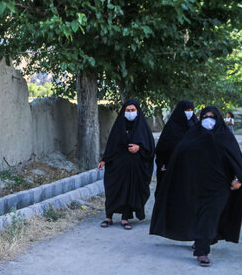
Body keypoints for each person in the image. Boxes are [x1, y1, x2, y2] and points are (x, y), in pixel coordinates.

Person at [150, 106, 242, 266]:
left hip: (219, 187)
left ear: (218, 119)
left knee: (210, 214)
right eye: (205, 116)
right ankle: (202, 242)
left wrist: (239, 179)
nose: (208, 119)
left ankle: (202, 250)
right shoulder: (193, 136)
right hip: (195, 186)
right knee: (200, 215)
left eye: (212, 117)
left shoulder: (225, 137)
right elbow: (180, 154)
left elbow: (237, 160)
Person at [98, 99, 155, 230]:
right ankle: (108, 217)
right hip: (117, 165)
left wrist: (139, 148)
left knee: (128, 191)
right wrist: (104, 160)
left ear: (137, 111)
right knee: (113, 189)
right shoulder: (119, 125)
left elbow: (150, 148)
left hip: (133, 168)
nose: (130, 113)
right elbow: (112, 144)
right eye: (127, 110)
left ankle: (125, 218)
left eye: (132, 110)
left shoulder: (143, 127)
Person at [154, 100, 198, 196]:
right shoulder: (171, 127)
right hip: (173, 166)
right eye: (187, 109)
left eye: (191, 109)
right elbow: (162, 147)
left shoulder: (196, 126)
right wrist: (162, 163)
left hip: (192, 168)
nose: (189, 112)